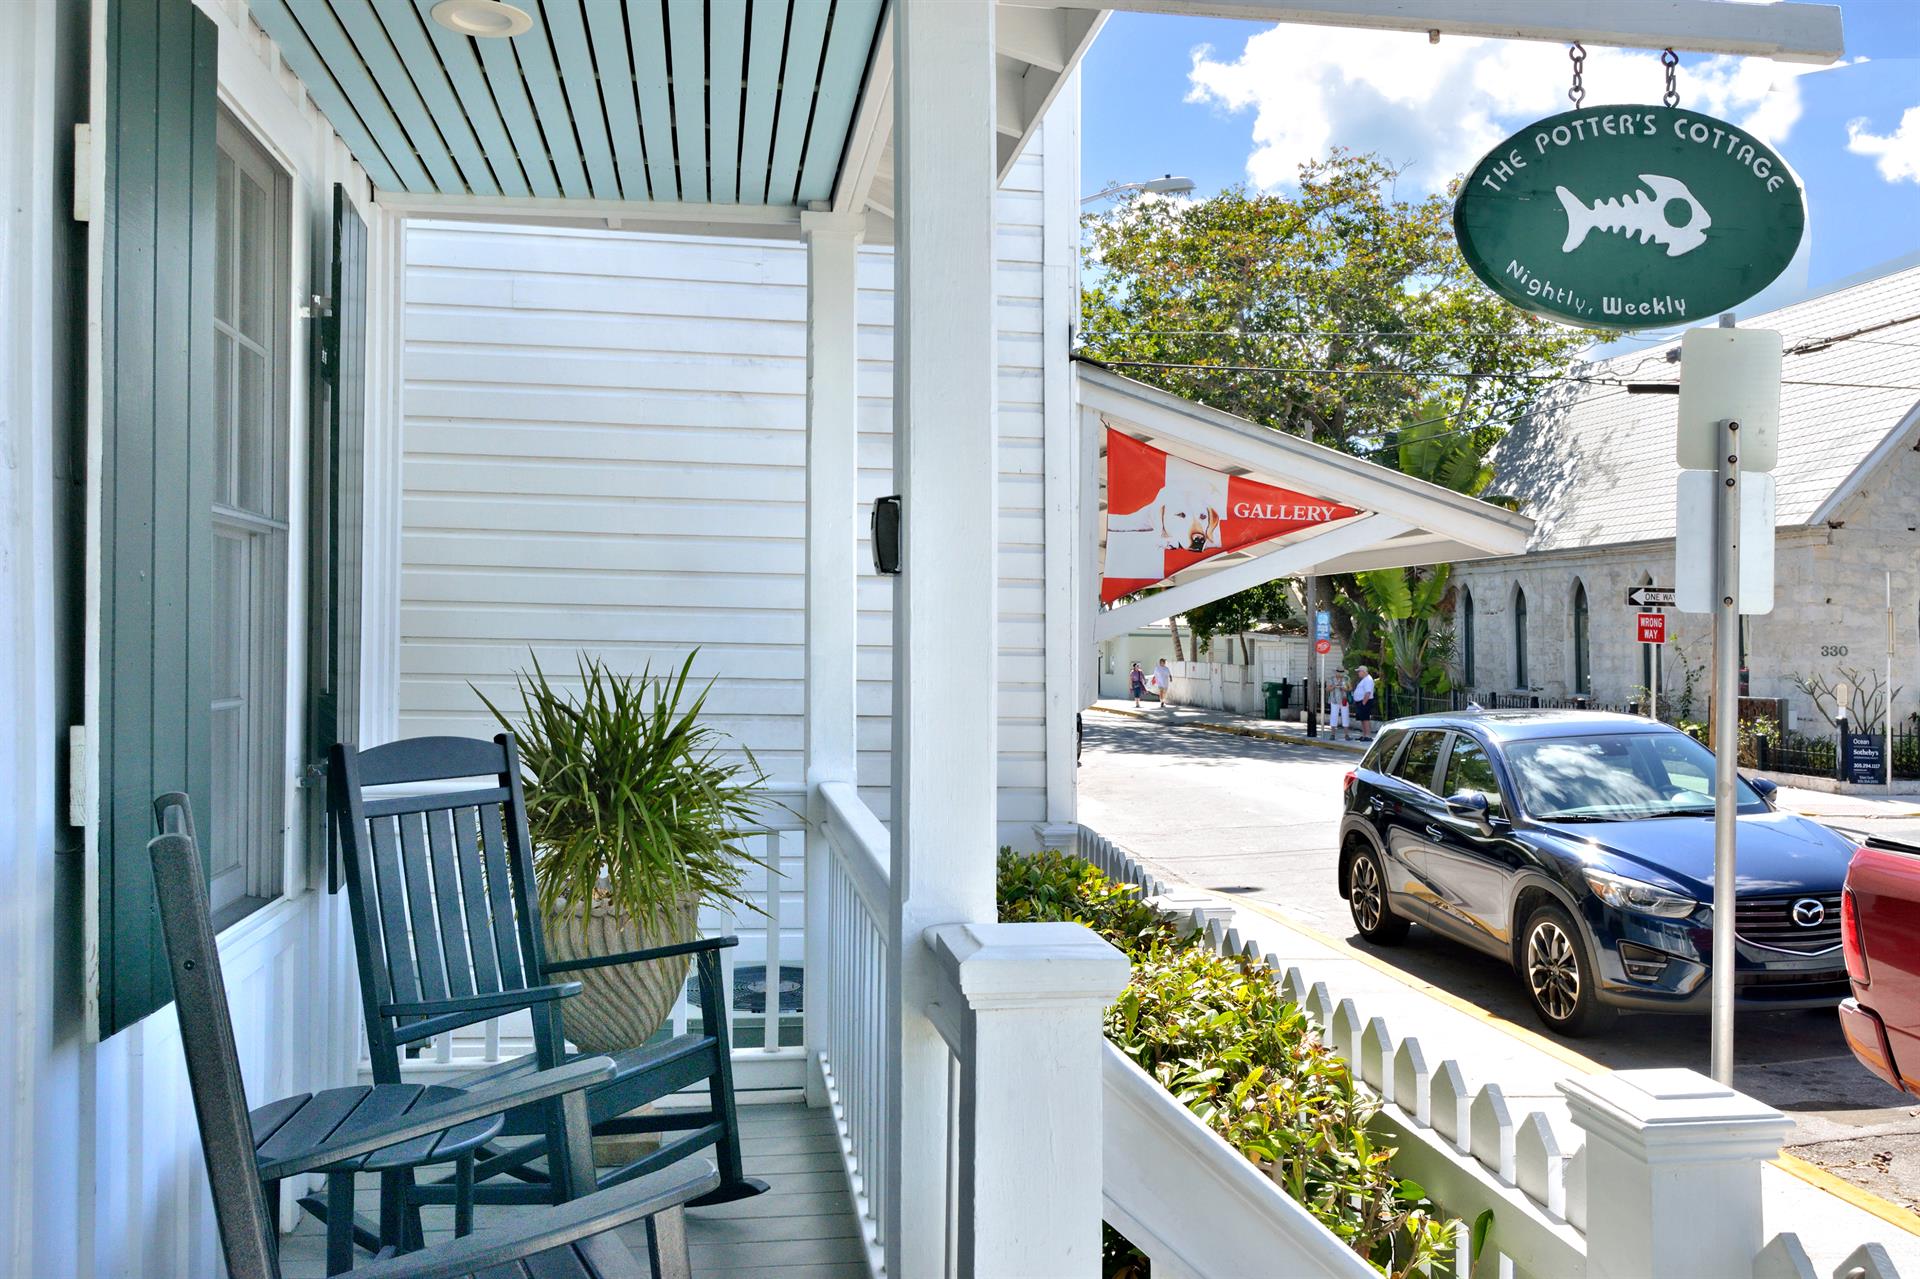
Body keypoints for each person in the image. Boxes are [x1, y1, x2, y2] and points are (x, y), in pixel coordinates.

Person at [1326, 666, 1352, 741]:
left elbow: (1350, 688)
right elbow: (1327, 689)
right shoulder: (1331, 678)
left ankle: (1346, 735)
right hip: (1334, 699)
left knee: (1345, 716)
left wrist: (1345, 689)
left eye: (1341, 673)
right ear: (1336, 672)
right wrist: (1334, 686)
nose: (1340, 675)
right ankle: (1332, 734)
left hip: (1344, 700)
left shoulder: (1346, 678)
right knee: (1333, 716)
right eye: (1339, 673)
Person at [1350, 664, 1376, 738]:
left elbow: (1368, 693)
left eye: (1359, 671)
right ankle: (1364, 735)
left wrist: (1363, 703)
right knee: (1362, 719)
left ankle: (1367, 735)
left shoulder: (1368, 680)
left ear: (1363, 672)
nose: (1358, 673)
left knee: (1365, 719)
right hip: (1362, 702)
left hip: (1365, 702)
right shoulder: (1365, 679)